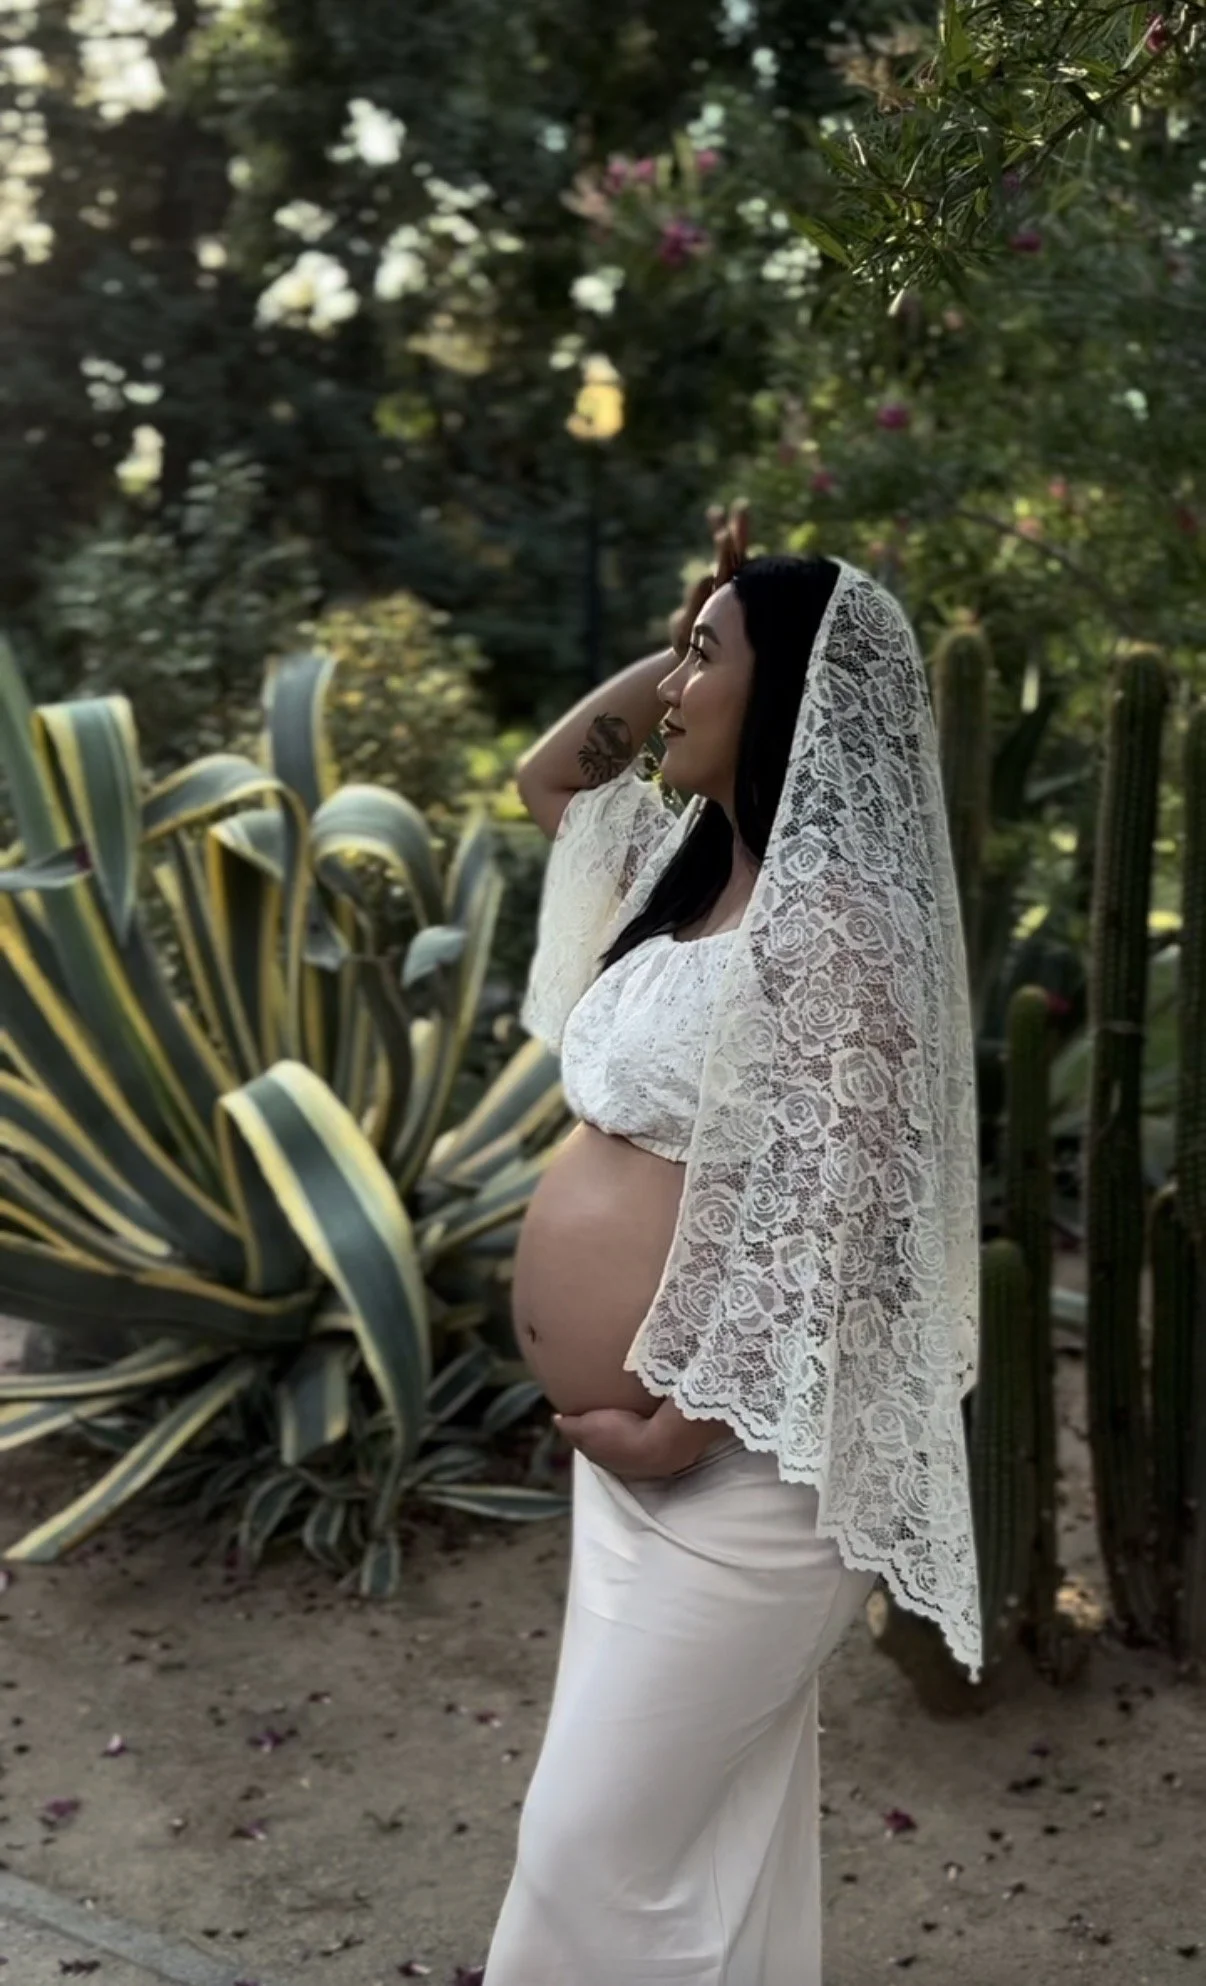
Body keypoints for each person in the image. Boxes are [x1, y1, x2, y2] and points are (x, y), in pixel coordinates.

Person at [483, 510, 981, 1986]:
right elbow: (547, 774)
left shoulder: (841, 931)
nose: (678, 689)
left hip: (742, 1475)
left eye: (708, 662)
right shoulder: (680, 879)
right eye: (681, 659)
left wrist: (684, 1414)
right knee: (697, 1856)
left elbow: (837, 1209)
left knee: (589, 1850)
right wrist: (699, 621)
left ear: (795, 700)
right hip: (638, 1467)